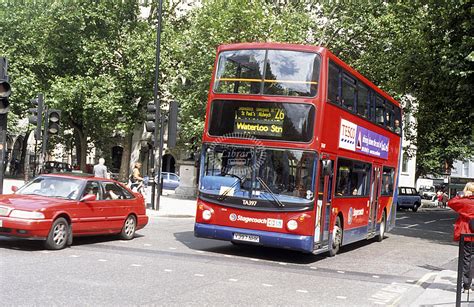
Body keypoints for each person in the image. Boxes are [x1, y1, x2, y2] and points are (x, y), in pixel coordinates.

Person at [448, 182, 474, 291]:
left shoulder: (464, 201)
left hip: (467, 233)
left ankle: (467, 285)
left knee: (466, 259)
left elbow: (451, 203)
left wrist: (461, 195)